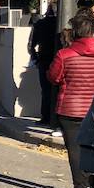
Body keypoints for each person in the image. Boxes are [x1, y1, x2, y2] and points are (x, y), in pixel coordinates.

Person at [47, 12, 94, 188]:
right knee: (90, 148)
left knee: (75, 149)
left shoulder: (64, 54)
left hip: (70, 107)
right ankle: (90, 186)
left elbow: (54, 77)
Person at [28, 7, 62, 138]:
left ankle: (46, 117)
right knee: (60, 91)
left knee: (46, 90)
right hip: (60, 60)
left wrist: (35, 59)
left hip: (44, 61)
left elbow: (31, 44)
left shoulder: (40, 24)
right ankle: (56, 119)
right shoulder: (62, 25)